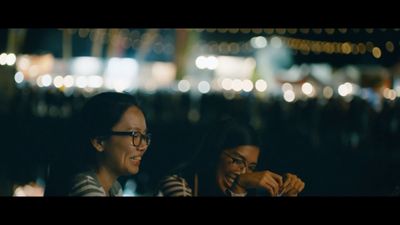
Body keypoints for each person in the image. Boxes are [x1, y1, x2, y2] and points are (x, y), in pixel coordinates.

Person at [157, 118, 304, 196]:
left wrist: (286, 194)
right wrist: (238, 190)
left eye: (251, 167)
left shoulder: (246, 191)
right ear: (214, 154)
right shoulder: (177, 185)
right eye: (237, 161)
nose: (243, 172)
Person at [45, 92, 151, 196]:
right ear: (99, 141)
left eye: (145, 136)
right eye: (135, 135)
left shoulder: (113, 188)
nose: (143, 146)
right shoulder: (86, 189)